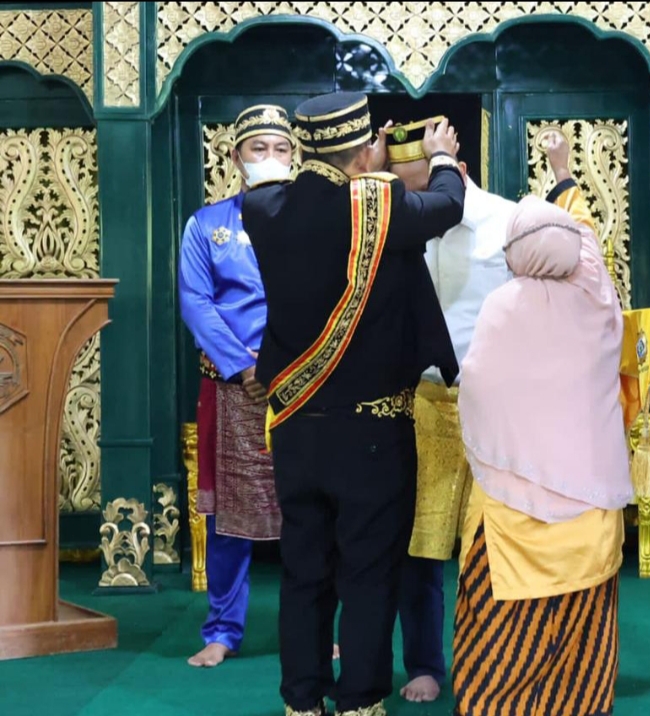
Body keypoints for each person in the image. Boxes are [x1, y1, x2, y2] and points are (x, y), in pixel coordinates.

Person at [243, 92, 465, 716]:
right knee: (368, 572)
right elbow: (446, 205)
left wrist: (368, 163)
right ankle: (361, 701)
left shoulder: (262, 208)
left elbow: (319, 196)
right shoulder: (379, 204)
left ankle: (301, 701)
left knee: (303, 571)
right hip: (372, 433)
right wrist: (439, 157)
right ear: (366, 150)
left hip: (295, 428)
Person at [452, 131, 633, 716]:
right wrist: (563, 174)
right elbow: (583, 235)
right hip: (592, 513)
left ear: (515, 255)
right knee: (583, 643)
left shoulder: (504, 306)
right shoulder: (597, 294)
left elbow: (475, 391)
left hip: (512, 516)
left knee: (503, 642)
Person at [380, 115, 515, 704]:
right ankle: (425, 664)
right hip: (422, 403)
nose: (417, 202)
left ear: (454, 171)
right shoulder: (394, 218)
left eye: (424, 186)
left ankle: (498, 662)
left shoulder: (508, 221)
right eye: (404, 189)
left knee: (496, 541)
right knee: (421, 544)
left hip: (496, 406)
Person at [178, 104, 294, 669]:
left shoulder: (312, 222)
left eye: (281, 149)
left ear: (296, 157)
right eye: (259, 149)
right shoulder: (207, 226)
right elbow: (195, 301)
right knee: (228, 516)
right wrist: (243, 366)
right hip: (232, 386)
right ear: (235, 157)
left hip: (301, 382)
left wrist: (290, 362)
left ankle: (314, 628)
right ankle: (223, 630)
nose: (270, 159)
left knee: (312, 513)